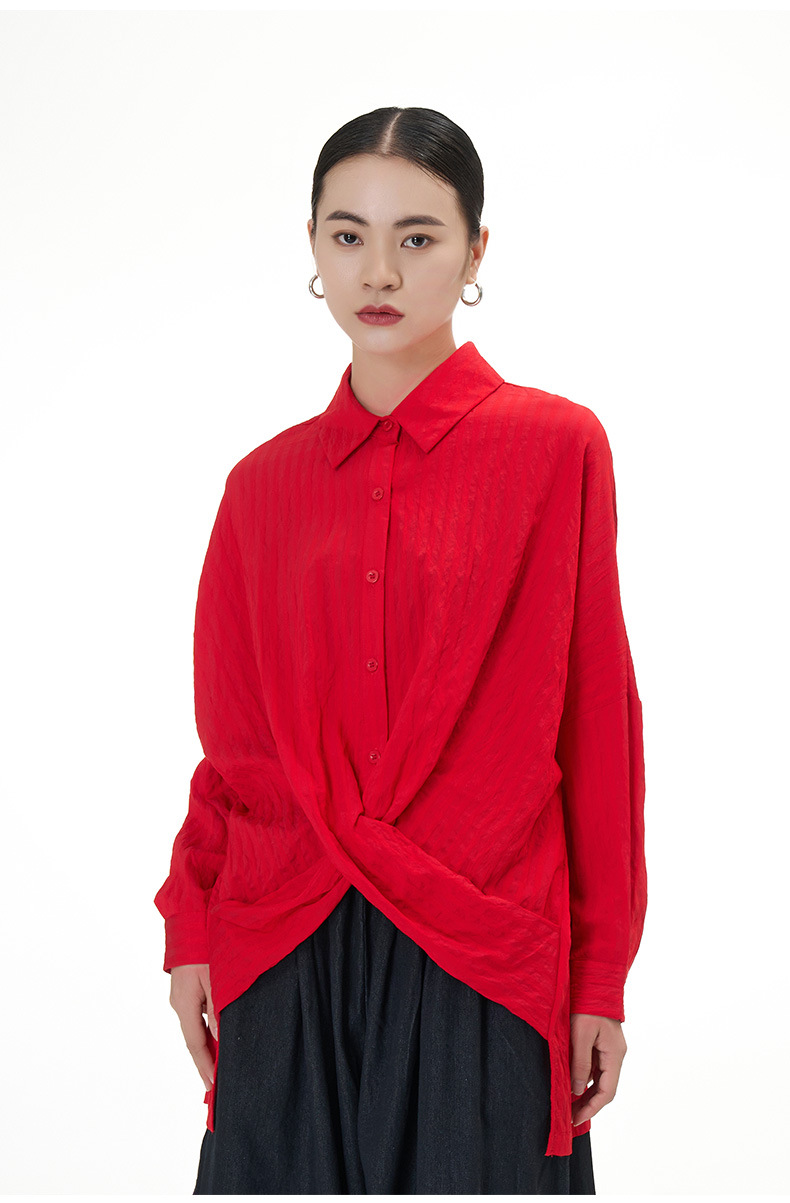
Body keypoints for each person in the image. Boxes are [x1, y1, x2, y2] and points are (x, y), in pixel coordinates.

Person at [154, 105, 647, 1195]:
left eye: (417, 237)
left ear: (476, 252)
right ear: (314, 247)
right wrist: (192, 922)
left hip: (485, 941)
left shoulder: (556, 448)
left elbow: (595, 726)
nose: (378, 270)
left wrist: (599, 974)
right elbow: (235, 750)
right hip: (284, 936)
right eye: (348, 235)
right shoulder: (261, 487)